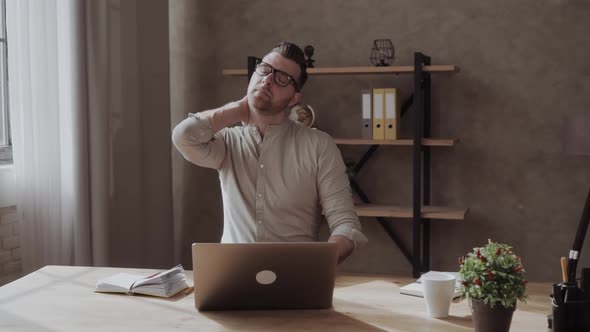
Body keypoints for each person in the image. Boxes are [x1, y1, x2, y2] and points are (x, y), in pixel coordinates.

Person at [172, 42, 367, 263]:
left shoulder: (319, 145)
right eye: (264, 69)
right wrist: (238, 108)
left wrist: (318, 264)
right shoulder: (227, 142)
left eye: (282, 78)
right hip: (233, 277)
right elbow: (183, 137)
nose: (267, 80)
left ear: (294, 99)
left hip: (295, 277)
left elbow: (345, 224)